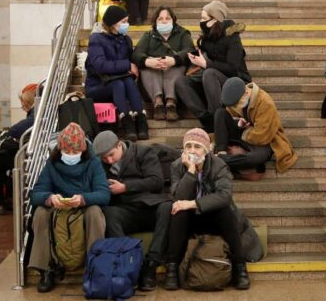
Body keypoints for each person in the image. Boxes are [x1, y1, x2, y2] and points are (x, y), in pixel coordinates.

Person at [163, 128, 251, 291]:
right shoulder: (177, 166)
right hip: (190, 220)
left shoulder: (219, 165)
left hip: (213, 216)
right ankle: (172, 268)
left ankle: (240, 268)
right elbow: (178, 196)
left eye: (197, 146)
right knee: (177, 210)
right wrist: (190, 171)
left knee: (225, 210)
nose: (192, 151)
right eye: (188, 146)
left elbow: (224, 195)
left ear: (206, 149)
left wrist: (192, 204)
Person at [29, 123, 110, 293]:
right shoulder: (51, 164)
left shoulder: (93, 163)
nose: (71, 155)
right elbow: (36, 194)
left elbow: (104, 194)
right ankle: (46, 269)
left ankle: (95, 268)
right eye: (67, 151)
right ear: (60, 149)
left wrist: (83, 199)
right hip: (58, 207)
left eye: (75, 152)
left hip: (83, 206)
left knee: (95, 212)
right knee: (40, 213)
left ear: (83, 150)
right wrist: (49, 198)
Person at [92, 130, 173, 291]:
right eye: (104, 158)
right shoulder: (101, 165)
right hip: (125, 210)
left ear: (119, 145)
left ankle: (151, 265)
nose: (108, 160)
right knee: (109, 213)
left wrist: (125, 187)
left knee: (167, 207)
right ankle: (127, 263)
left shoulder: (143, 152)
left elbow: (156, 181)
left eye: (111, 155)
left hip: (150, 206)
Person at [175, 1, 251, 132]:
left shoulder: (232, 37)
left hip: (235, 81)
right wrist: (197, 58)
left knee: (210, 73)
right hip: (211, 83)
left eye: (204, 18)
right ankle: (208, 120)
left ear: (215, 20)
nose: (201, 21)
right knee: (181, 82)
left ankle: (219, 120)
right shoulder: (206, 37)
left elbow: (233, 68)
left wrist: (206, 64)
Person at [85, 5, 149, 141]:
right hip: (98, 85)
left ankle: (141, 121)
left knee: (128, 81)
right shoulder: (96, 39)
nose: (127, 25)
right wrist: (127, 65)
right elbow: (100, 65)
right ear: (113, 24)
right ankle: (127, 122)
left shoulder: (126, 39)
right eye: (124, 21)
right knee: (118, 84)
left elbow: (131, 60)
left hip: (120, 81)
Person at [214, 77, 298, 177]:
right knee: (220, 113)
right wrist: (238, 123)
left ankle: (219, 160)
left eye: (236, 105)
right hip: (245, 133)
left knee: (256, 158)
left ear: (246, 93)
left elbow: (262, 135)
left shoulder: (265, 102)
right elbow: (230, 114)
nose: (234, 108)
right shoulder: (236, 98)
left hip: (264, 139)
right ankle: (221, 152)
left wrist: (245, 131)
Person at [0, 83, 37, 215]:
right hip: (31, 152)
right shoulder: (41, 111)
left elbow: (14, 131)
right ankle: (9, 198)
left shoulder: (33, 116)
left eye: (22, 102)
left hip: (28, 155)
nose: (21, 105)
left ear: (28, 101)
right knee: (7, 159)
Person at [132, 6, 193, 121]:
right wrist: (148, 61)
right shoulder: (148, 35)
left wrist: (174, 60)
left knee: (176, 67)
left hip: (175, 73)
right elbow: (136, 54)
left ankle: (171, 103)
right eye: (160, 19)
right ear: (155, 21)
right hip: (152, 78)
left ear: (173, 20)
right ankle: (158, 103)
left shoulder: (183, 33)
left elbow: (189, 50)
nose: (164, 21)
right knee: (147, 67)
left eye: (167, 18)